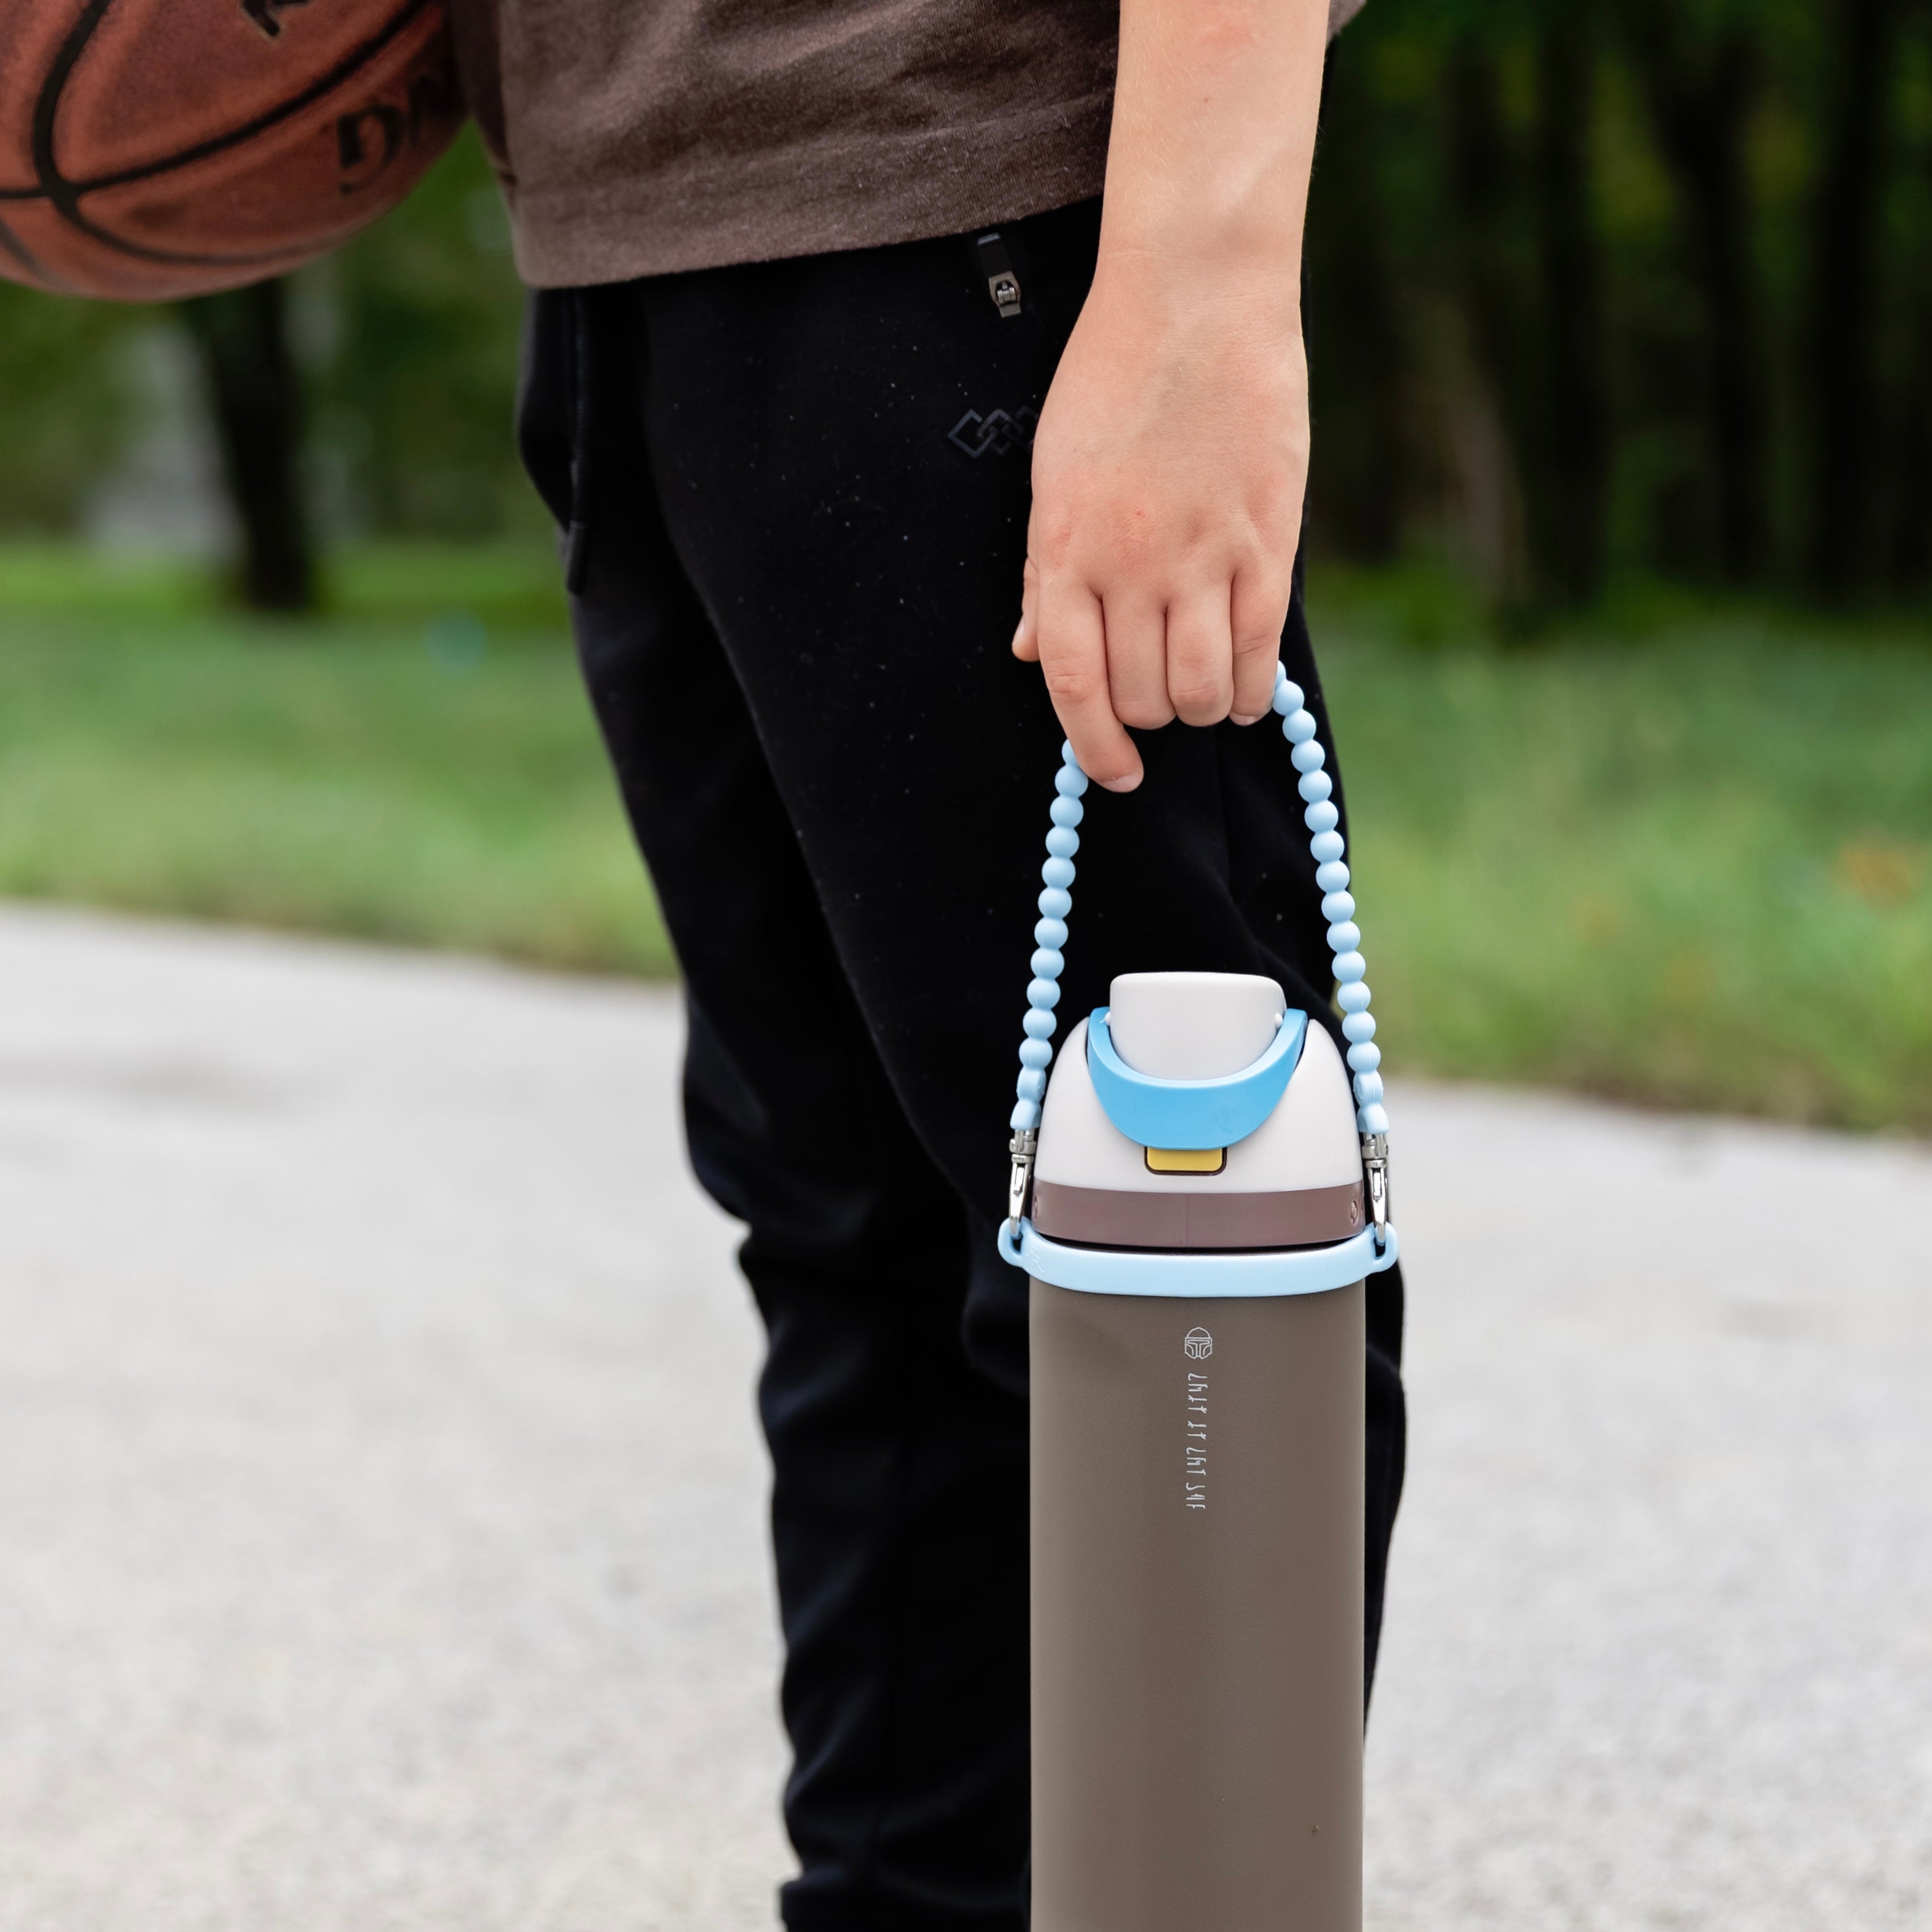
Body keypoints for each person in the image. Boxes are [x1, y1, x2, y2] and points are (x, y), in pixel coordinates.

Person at [448, 0, 1406, 1923]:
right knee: (852, 1236)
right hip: (647, 252)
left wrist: (1197, 284)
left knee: (1173, 1254)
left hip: (978, 203)